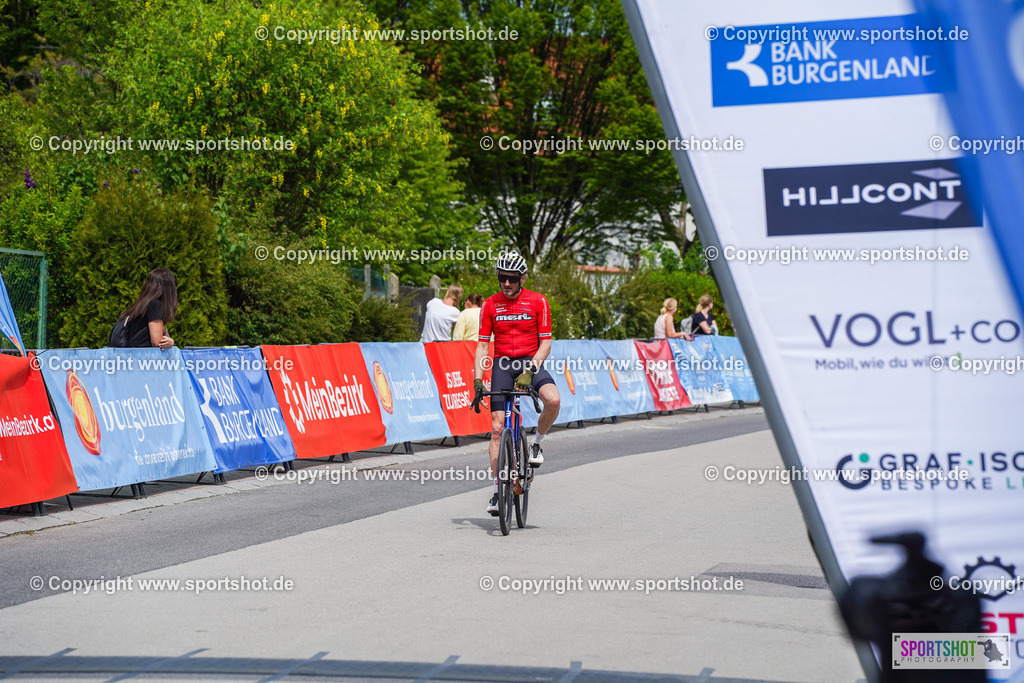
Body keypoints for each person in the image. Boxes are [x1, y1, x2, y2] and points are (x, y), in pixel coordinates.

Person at [472, 251, 560, 516]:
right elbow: (482, 346)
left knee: (553, 400)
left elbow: (546, 343)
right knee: (497, 429)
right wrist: (477, 379)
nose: (506, 284)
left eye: (511, 279)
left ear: (522, 278)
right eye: (502, 278)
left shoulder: (538, 301)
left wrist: (530, 369)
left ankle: (536, 443)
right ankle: (499, 491)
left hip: (530, 362)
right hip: (503, 364)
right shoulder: (490, 305)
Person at [119, 268, 177, 349]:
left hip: (131, 356)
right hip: (143, 358)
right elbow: (158, 342)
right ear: (168, 288)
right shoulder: (154, 305)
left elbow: (164, 336)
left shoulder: (142, 304)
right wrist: (171, 342)